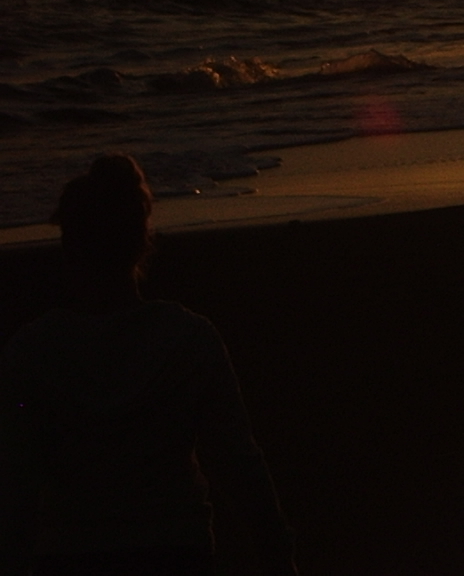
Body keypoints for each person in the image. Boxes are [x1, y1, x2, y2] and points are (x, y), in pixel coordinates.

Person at [0, 156, 297, 576]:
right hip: (176, 550)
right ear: (143, 240)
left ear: (69, 247)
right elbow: (236, 460)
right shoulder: (187, 337)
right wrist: (276, 550)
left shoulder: (32, 350)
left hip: (70, 553)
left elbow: (17, 480)